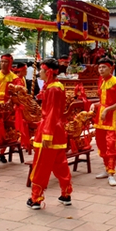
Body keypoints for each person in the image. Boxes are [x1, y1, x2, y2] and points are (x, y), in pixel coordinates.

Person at [27, 58, 73, 210]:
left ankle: (36, 198)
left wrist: (47, 134)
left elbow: (52, 113)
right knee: (60, 164)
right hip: (57, 129)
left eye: (41, 70)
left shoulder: (53, 89)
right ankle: (66, 194)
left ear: (48, 72)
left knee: (41, 165)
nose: (39, 72)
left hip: (49, 129)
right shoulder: (55, 86)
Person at [90, 57, 116, 186]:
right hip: (100, 116)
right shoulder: (101, 81)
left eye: (104, 67)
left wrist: (107, 110)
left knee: (110, 144)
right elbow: (102, 101)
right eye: (99, 67)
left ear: (111, 68)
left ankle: (111, 173)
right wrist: (95, 105)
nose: (101, 70)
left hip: (111, 117)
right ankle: (106, 168)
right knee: (100, 143)